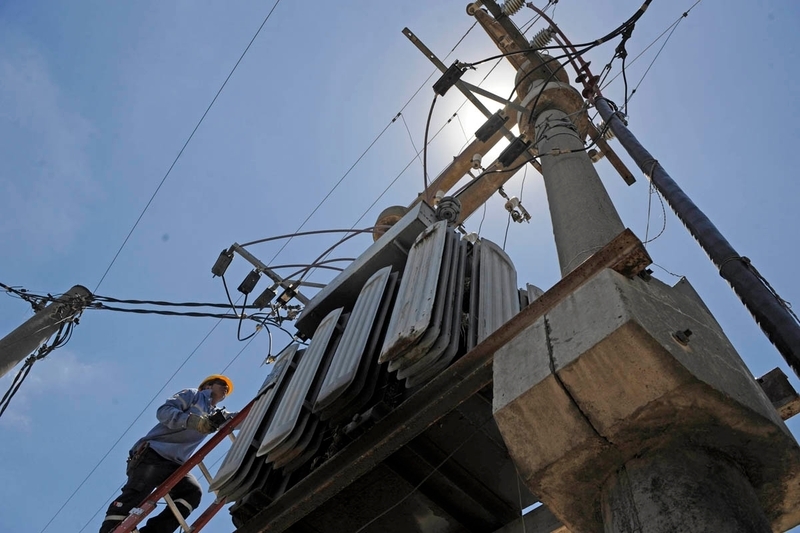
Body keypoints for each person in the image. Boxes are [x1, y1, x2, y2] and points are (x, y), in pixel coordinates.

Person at [99, 374, 235, 533]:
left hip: (175, 464)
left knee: (191, 493)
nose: (226, 387)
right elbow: (164, 411)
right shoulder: (193, 395)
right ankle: (110, 530)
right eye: (221, 383)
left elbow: (238, 418)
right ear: (208, 386)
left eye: (227, 388)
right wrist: (192, 421)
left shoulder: (217, 415)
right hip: (154, 454)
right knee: (135, 496)